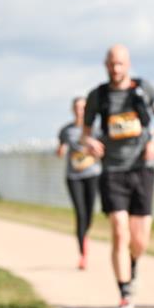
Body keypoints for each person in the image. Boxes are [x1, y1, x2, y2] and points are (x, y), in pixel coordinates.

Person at [82, 45, 154, 308]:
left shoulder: (143, 90)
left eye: (120, 64)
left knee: (139, 239)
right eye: (111, 64)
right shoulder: (97, 96)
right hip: (112, 170)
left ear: (128, 64)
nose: (115, 69)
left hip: (142, 168)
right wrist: (90, 143)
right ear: (105, 65)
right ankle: (124, 294)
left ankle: (133, 266)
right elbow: (86, 132)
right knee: (119, 229)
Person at [57, 96, 102, 269]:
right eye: (77, 107)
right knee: (80, 214)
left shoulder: (95, 130)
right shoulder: (66, 130)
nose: (79, 110)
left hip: (92, 174)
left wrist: (95, 151)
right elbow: (60, 148)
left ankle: (85, 235)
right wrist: (61, 150)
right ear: (72, 109)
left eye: (83, 107)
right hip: (73, 176)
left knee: (89, 214)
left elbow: (102, 150)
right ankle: (83, 253)